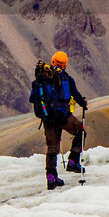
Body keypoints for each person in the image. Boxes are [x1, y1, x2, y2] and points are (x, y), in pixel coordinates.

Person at [30, 50, 87, 190]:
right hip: (63, 116)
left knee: (52, 148)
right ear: (65, 64)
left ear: (53, 61)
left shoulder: (42, 78)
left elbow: (32, 98)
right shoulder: (66, 78)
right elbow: (75, 94)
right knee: (80, 130)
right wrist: (83, 103)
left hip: (48, 118)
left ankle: (51, 177)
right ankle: (73, 161)